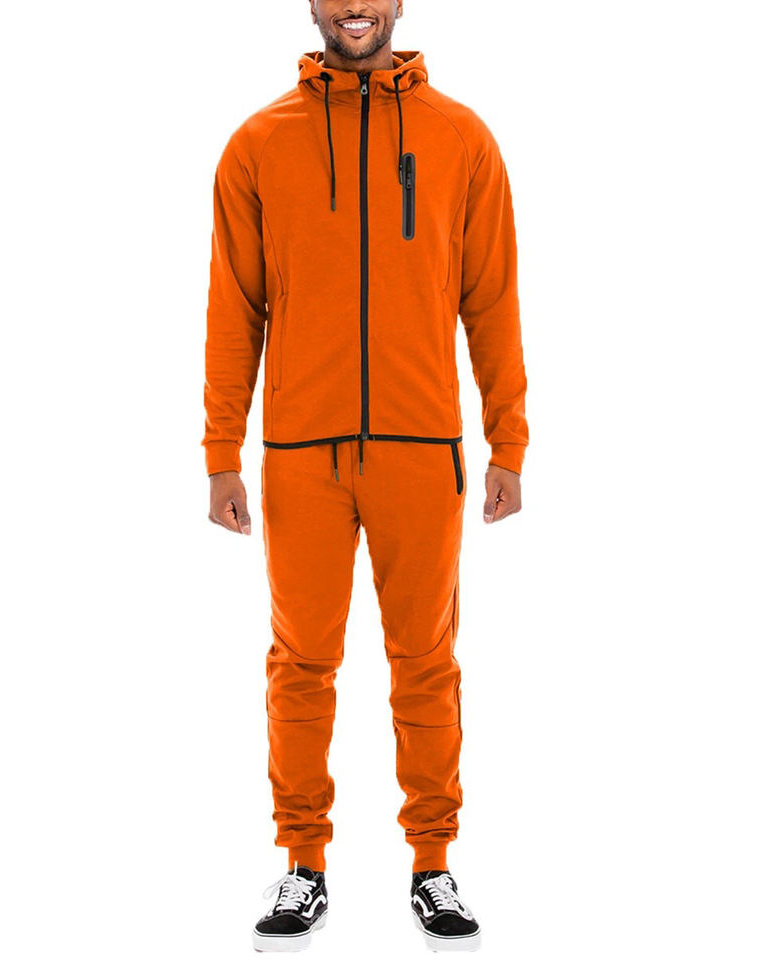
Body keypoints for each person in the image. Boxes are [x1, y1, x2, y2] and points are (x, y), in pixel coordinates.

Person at [203, 1, 527, 951]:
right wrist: (221, 452)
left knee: (426, 662)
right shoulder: (257, 144)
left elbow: (492, 297)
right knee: (301, 663)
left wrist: (508, 440)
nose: (355, 5)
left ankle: (433, 863)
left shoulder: (462, 139)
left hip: (422, 449)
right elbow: (234, 307)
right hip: (300, 454)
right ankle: (303, 862)